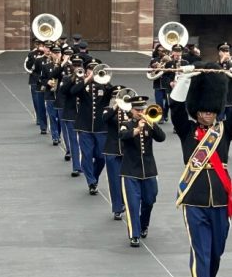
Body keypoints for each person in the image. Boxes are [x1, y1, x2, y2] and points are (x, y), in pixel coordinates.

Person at [169, 65, 232, 277]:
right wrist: (184, 80)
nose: (208, 115)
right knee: (201, 253)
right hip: (194, 200)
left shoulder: (223, 131)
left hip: (221, 202)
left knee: (216, 252)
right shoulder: (186, 130)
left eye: (212, 111)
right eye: (204, 110)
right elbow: (176, 106)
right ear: (197, 111)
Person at [119, 95, 166, 247]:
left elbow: (162, 137)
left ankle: (143, 224)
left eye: (142, 109)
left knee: (149, 200)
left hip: (149, 170)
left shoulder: (150, 123)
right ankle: (134, 234)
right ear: (131, 110)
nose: (140, 112)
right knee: (133, 204)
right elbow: (123, 136)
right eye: (137, 109)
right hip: (130, 171)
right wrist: (137, 129)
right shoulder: (126, 123)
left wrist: (151, 124)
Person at [71, 62, 111, 195]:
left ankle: (94, 176)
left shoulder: (105, 86)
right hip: (85, 127)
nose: (92, 72)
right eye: (90, 70)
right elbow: (73, 91)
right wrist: (87, 80)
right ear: (87, 71)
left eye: (95, 70)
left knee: (101, 157)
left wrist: (105, 80)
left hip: (101, 127)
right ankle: (91, 182)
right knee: (87, 155)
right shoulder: (83, 86)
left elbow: (114, 91)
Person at [102, 87, 129, 221]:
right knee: (114, 180)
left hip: (127, 150)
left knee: (128, 179)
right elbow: (105, 119)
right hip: (112, 149)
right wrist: (115, 107)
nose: (117, 98)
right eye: (115, 96)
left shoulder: (130, 110)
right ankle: (117, 208)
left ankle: (127, 203)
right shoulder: (108, 109)